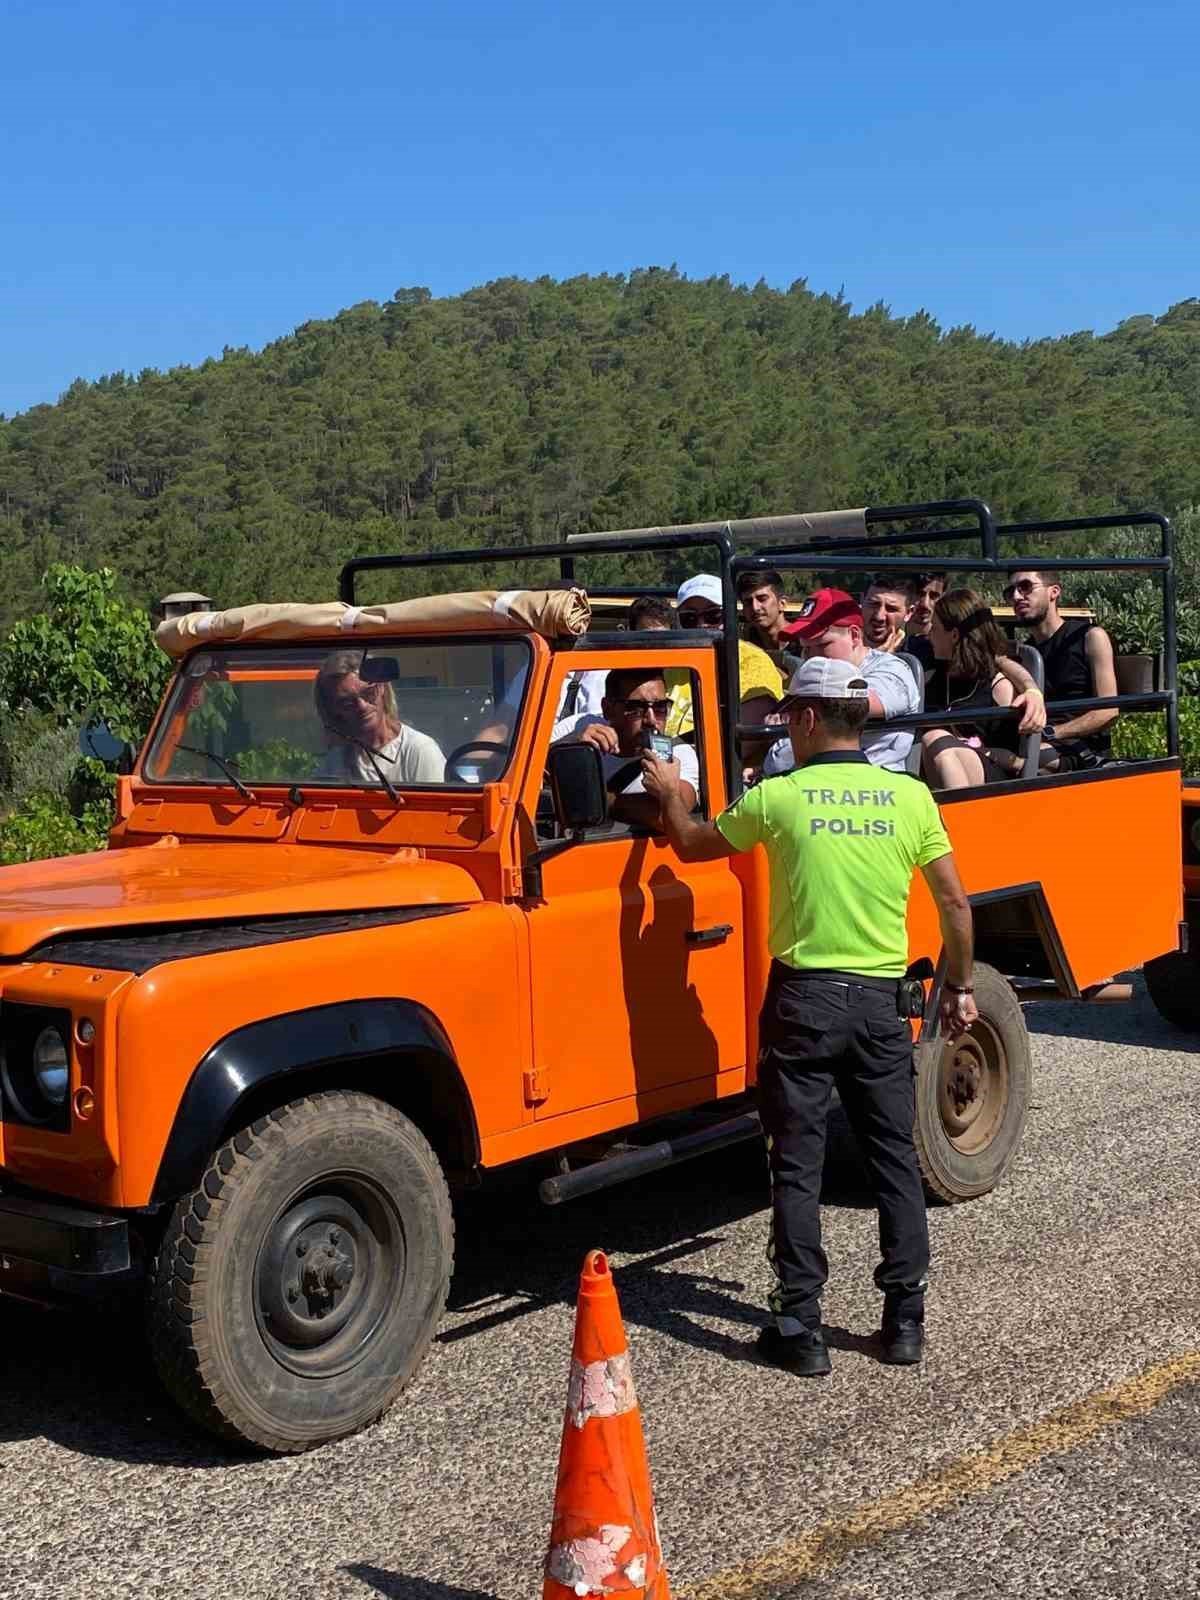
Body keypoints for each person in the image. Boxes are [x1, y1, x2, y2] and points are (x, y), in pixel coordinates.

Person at [640, 655, 976, 1374]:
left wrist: (671, 795)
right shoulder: (909, 796)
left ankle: (801, 1329)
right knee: (893, 1162)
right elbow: (954, 903)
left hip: (805, 1001)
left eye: (788, 714)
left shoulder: (781, 797)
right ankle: (904, 1323)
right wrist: (959, 984)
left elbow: (696, 845)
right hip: (885, 1005)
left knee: (797, 1165)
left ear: (804, 719)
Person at [762, 589, 921, 775]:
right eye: (806, 649)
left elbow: (851, 703)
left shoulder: (891, 670)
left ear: (854, 636)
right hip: (802, 782)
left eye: (822, 645)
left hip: (866, 789)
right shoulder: (816, 673)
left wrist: (792, 711)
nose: (813, 658)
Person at [558, 665, 698, 829]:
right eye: (636, 708)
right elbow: (529, 767)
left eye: (660, 707)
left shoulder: (678, 755)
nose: (651, 720)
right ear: (608, 709)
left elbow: (667, 815)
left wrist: (603, 800)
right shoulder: (582, 725)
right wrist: (570, 747)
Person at [1007, 569, 1119, 770]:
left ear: (1054, 592)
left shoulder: (1090, 637)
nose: (1016, 596)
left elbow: (1108, 712)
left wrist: (1051, 732)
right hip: (1035, 744)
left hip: (1080, 751)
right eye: (1010, 591)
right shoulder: (1025, 653)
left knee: (1015, 760)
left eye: (1025, 587)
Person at [920, 589, 1022, 789]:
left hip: (988, 776)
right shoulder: (935, 674)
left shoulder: (998, 687)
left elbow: (1017, 760)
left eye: (935, 628)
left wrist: (970, 747)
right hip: (936, 768)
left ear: (955, 635)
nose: (928, 635)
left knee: (936, 738)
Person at [672, 574, 784, 738]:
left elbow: (745, 738)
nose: (701, 625)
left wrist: (681, 756)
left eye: (713, 616)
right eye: (689, 618)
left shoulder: (752, 662)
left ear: (730, 616)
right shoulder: (670, 663)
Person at [315, 650, 446, 784]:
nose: (362, 706)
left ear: (383, 688)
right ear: (333, 709)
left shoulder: (418, 750)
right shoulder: (336, 759)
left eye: (369, 692)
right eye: (347, 702)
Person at [738, 569, 798, 678]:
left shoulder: (806, 643)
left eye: (762, 599)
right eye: (747, 602)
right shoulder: (740, 645)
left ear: (782, 603)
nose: (755, 607)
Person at [861, 576, 919, 656]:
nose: (879, 616)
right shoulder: (842, 646)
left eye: (891, 608)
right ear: (862, 600)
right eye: (874, 604)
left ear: (909, 613)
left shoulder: (918, 652)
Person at [906, 572, 947, 671]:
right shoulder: (890, 638)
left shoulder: (948, 647)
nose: (925, 604)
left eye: (934, 596)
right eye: (920, 594)